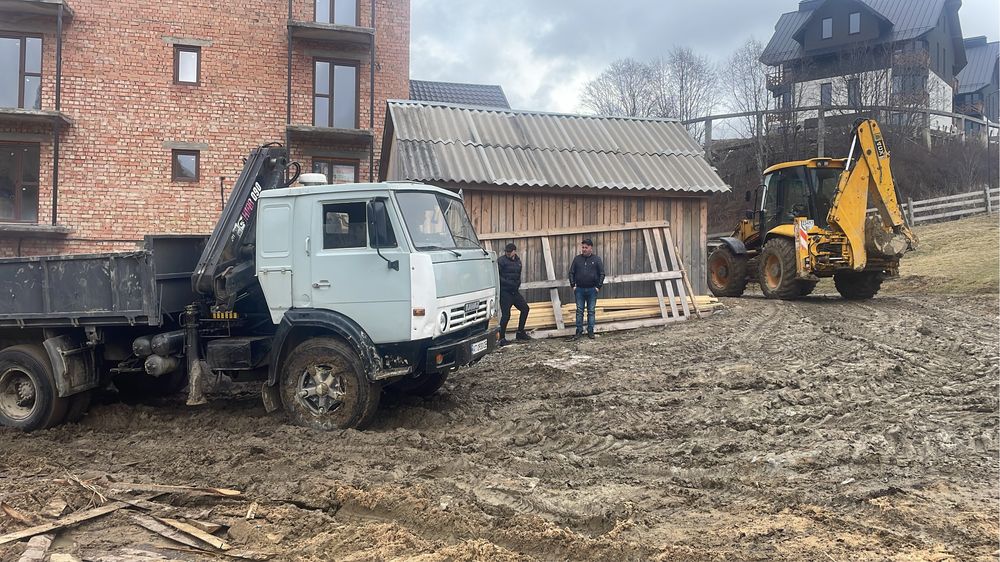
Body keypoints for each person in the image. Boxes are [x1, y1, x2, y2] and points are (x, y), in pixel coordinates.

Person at [568, 238, 605, 340]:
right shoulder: (577, 259)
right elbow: (571, 272)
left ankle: (590, 331)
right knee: (579, 311)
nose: (584, 249)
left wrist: (598, 287)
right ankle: (578, 331)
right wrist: (573, 285)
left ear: (591, 248)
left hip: (592, 290)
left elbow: (602, 274)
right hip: (579, 289)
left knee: (591, 311)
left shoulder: (596, 259)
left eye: (586, 247)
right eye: (582, 247)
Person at [497, 243, 530, 346]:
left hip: (514, 292)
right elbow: (497, 276)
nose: (507, 253)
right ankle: (501, 338)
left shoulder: (518, 261)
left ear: (514, 251)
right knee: (506, 315)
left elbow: (518, 275)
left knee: (525, 308)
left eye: (509, 252)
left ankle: (520, 332)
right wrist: (508, 283)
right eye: (506, 251)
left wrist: (517, 283)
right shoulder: (501, 261)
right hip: (505, 292)